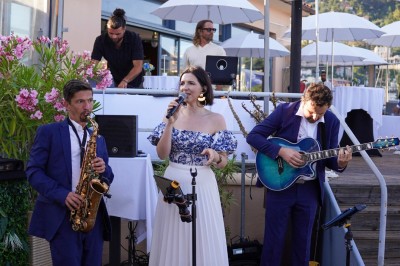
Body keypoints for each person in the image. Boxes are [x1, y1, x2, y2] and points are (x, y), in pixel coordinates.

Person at [246, 83, 352, 266]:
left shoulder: (332, 121)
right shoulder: (284, 111)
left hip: (309, 190)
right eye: (312, 111)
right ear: (304, 99)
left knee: (303, 245)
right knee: (273, 241)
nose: (315, 117)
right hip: (279, 184)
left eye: (321, 114)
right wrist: (281, 152)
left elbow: (330, 158)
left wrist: (341, 163)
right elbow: (254, 136)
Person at [147, 66, 237, 265]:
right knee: (173, 234)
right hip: (173, 180)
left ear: (203, 88)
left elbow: (224, 163)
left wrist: (214, 156)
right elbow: (162, 154)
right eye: (182, 83)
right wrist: (170, 123)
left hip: (202, 182)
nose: (185, 87)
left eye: (191, 83)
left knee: (201, 234)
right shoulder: (171, 115)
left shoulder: (216, 119)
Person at [26, 79, 114, 266]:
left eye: (89, 100)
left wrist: (103, 169)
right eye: (80, 101)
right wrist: (63, 194)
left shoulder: (98, 138)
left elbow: (107, 177)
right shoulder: (49, 132)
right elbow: (33, 172)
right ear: (66, 104)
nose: (87, 106)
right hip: (62, 214)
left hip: (92, 216)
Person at [92, 8, 144, 88]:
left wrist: (125, 80)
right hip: (114, 81)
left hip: (135, 82)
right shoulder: (100, 40)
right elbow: (93, 63)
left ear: (124, 29)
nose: (114, 37)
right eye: (111, 33)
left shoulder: (134, 38)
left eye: (118, 34)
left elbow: (138, 67)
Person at [183, 20, 226, 90]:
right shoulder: (189, 51)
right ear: (199, 31)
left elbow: (222, 74)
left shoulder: (219, 50)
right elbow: (184, 74)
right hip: (192, 91)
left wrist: (219, 94)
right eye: (209, 30)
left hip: (211, 92)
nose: (212, 32)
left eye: (213, 30)